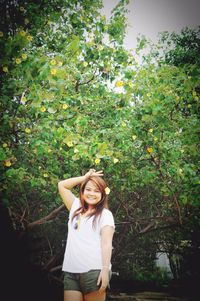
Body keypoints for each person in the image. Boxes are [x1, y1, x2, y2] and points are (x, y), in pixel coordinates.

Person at [58, 169, 115, 301]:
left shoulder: (106, 215)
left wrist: (105, 271)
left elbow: (106, 244)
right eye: (88, 189)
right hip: (71, 271)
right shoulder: (75, 206)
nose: (91, 194)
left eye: (96, 191)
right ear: (82, 191)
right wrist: (85, 177)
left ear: (103, 194)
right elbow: (62, 185)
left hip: (94, 271)